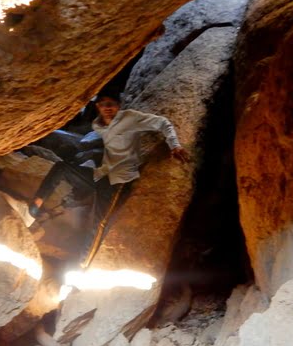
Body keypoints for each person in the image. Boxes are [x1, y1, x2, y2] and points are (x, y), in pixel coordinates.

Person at [18, 91, 189, 268]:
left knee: (98, 225)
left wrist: (174, 145)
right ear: (97, 107)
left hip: (118, 184)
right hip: (99, 176)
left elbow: (163, 122)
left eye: (111, 104)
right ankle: (36, 204)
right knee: (61, 168)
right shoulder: (99, 124)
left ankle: (83, 266)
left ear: (119, 106)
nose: (107, 108)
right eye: (102, 104)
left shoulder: (129, 118)